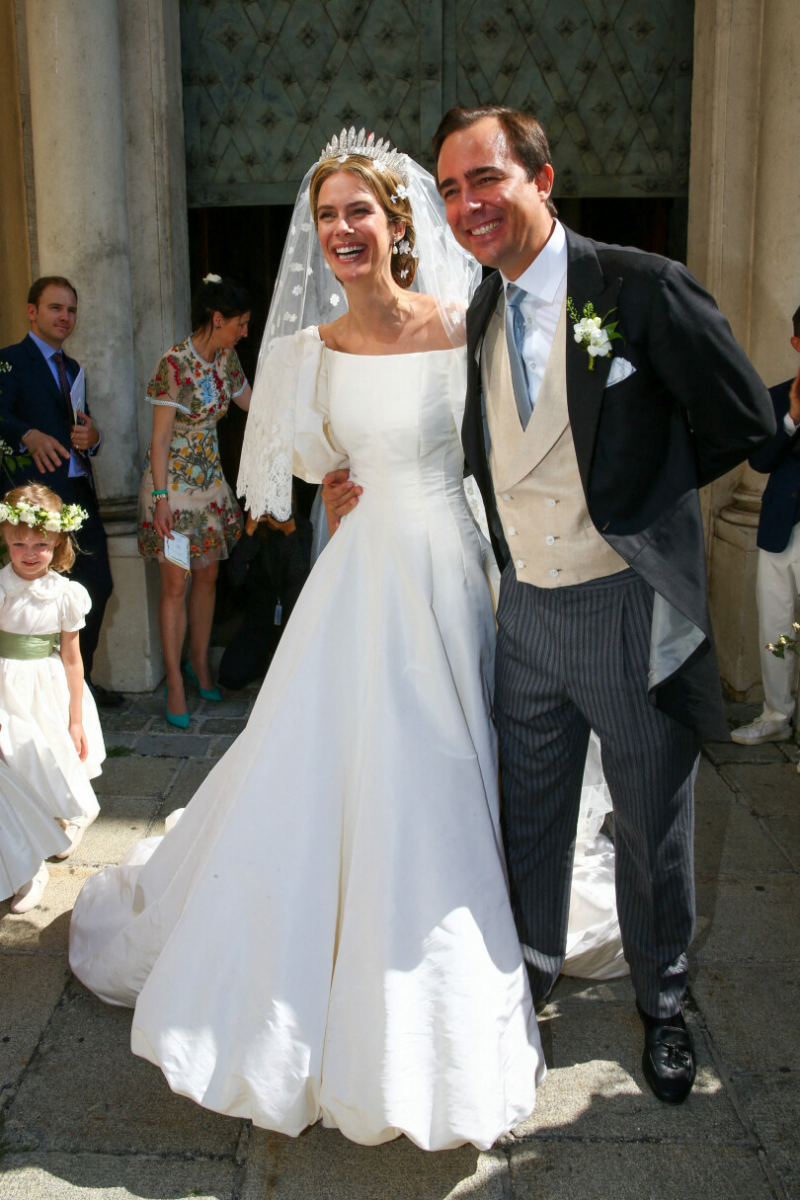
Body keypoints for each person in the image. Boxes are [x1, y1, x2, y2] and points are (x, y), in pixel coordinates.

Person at [70, 132, 553, 1151]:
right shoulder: (304, 353)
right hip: (362, 572)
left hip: (450, 566)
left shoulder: (462, 319)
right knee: (340, 757)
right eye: (326, 214)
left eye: (357, 211)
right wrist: (332, 480)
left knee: (451, 751)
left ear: (397, 222)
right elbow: (303, 464)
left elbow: (509, 439)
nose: (340, 229)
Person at [427, 105, 773, 1105]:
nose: (466, 204)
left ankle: (662, 1002)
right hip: (525, 616)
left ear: (540, 178)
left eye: (484, 178)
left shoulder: (639, 285)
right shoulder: (483, 309)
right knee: (528, 814)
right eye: (449, 189)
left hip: (624, 606)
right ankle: (530, 974)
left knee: (649, 826)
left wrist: (641, 499)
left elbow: (743, 417)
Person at [137, 275, 252, 727]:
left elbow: (252, 404)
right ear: (218, 319)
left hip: (210, 487)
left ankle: (199, 663)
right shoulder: (174, 364)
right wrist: (161, 500)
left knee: (208, 576)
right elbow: (160, 440)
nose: (244, 332)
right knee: (175, 585)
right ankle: (175, 682)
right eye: (240, 323)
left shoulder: (227, 359)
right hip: (173, 491)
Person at [0, 277, 119, 707]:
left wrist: (94, 437)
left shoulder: (73, 368)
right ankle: (45, 692)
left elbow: (83, 427)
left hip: (78, 497)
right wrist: (27, 434)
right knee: (39, 598)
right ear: (32, 311)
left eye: (70, 310)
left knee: (96, 586)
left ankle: (77, 685)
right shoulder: (9, 361)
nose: (65, 317)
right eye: (55, 308)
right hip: (34, 502)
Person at [0, 483, 105, 907]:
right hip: (5, 686)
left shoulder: (65, 594)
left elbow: (73, 660)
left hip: (45, 688)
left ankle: (62, 818)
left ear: (58, 541)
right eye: (19, 543)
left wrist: (76, 719)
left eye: (40, 545)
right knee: (13, 762)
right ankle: (27, 861)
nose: (29, 553)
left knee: (44, 760)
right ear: (5, 537)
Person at [731, 307, 800, 745]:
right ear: (796, 344)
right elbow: (759, 460)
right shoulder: (775, 398)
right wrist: (792, 418)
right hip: (781, 530)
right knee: (777, 626)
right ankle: (776, 714)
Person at [217, 507, 313, 691]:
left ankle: (272, 659)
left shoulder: (301, 526)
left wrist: (290, 532)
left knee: (287, 683)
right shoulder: (254, 527)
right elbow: (236, 578)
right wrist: (248, 531)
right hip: (260, 617)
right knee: (231, 675)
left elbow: (300, 578)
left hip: (291, 620)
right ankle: (263, 660)